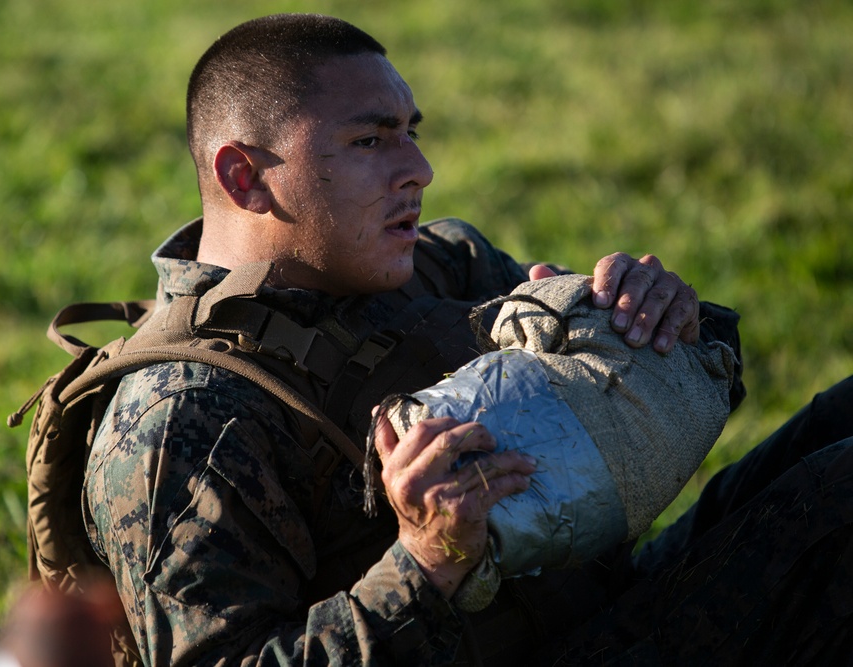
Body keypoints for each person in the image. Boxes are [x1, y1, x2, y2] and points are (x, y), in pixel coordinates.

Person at [83, 13, 853, 666]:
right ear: (245, 176)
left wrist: (667, 333)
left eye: (410, 133)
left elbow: (631, 425)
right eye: (369, 142)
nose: (418, 168)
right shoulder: (179, 420)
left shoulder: (439, 265)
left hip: (604, 605)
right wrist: (425, 560)